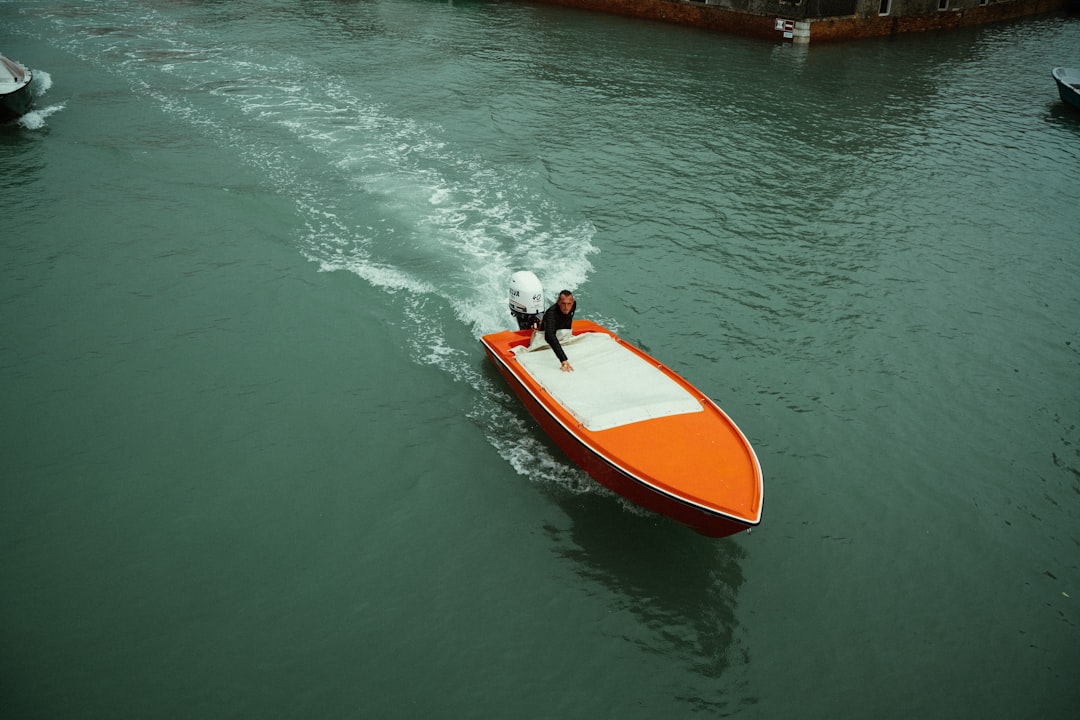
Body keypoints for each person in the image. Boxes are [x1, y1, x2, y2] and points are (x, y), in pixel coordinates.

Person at [541, 290, 576, 372]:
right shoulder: (551, 314)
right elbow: (549, 336)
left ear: (572, 303)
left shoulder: (573, 306)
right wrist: (563, 359)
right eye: (563, 303)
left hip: (563, 332)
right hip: (546, 336)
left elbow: (569, 319)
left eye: (569, 304)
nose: (566, 307)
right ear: (558, 302)